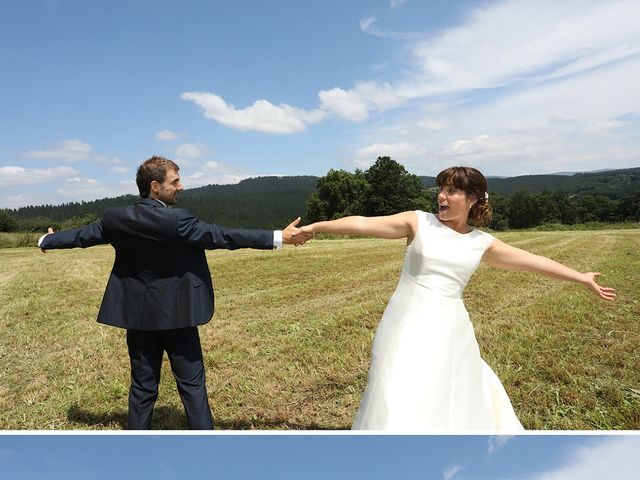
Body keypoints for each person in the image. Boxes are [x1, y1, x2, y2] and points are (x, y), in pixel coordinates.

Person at [299, 166, 616, 431]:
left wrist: (580, 276)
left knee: (442, 390)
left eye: (451, 191)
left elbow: (532, 261)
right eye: (441, 189)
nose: (442, 196)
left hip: (450, 328)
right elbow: (363, 223)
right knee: (392, 388)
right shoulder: (418, 221)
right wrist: (315, 227)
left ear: (473, 199)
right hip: (405, 322)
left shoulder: (482, 243)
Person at [38, 155, 311, 429]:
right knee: (192, 385)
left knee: (142, 387)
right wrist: (279, 237)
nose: (181, 187)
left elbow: (83, 236)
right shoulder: (179, 220)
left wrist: (48, 240)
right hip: (178, 316)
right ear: (155, 186)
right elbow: (223, 235)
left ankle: (135, 444)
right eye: (175, 181)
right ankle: (204, 444)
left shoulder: (115, 218)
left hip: (139, 319)